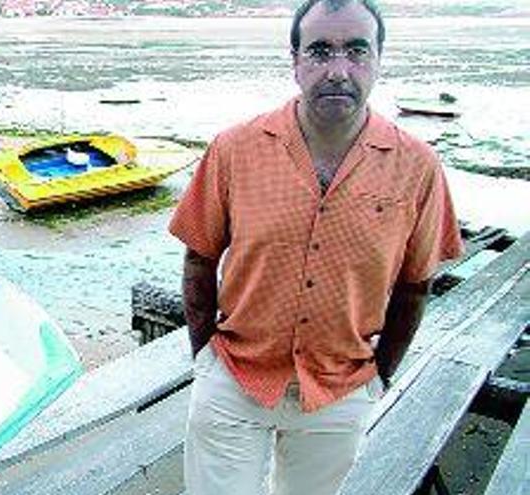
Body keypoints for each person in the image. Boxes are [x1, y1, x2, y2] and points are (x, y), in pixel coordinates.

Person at [168, 1, 464, 494]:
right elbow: (199, 257)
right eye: (321, 50)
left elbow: (416, 285)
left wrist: (379, 377)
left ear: (378, 59)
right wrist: (205, 357)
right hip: (235, 376)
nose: (338, 70)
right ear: (296, 60)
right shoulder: (234, 149)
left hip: (340, 388)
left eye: (355, 51)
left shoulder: (418, 166)